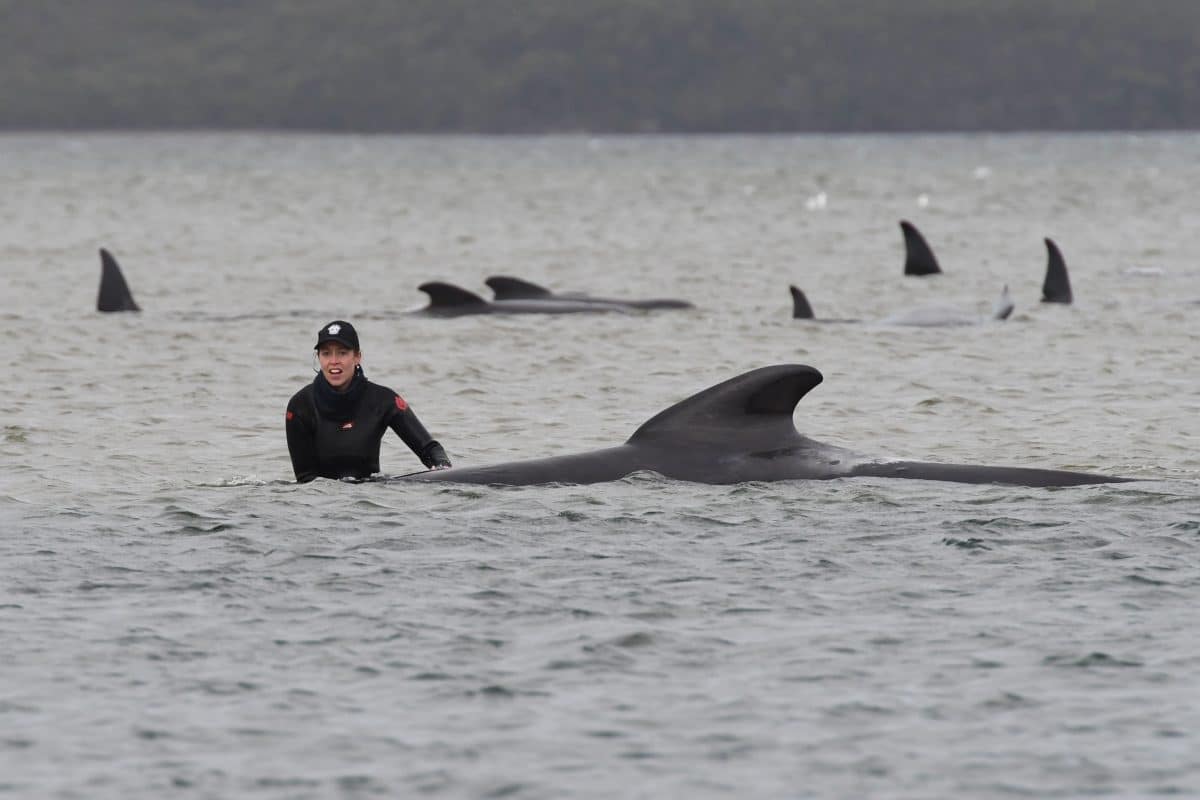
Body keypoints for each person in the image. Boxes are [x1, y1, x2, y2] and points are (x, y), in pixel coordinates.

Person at [286, 320, 451, 482]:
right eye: (326, 353)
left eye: (342, 353)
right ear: (319, 357)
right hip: (321, 504)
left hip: (370, 499)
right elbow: (305, 479)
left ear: (357, 357)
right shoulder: (300, 406)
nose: (334, 360)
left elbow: (430, 449)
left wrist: (445, 472)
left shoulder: (383, 400)